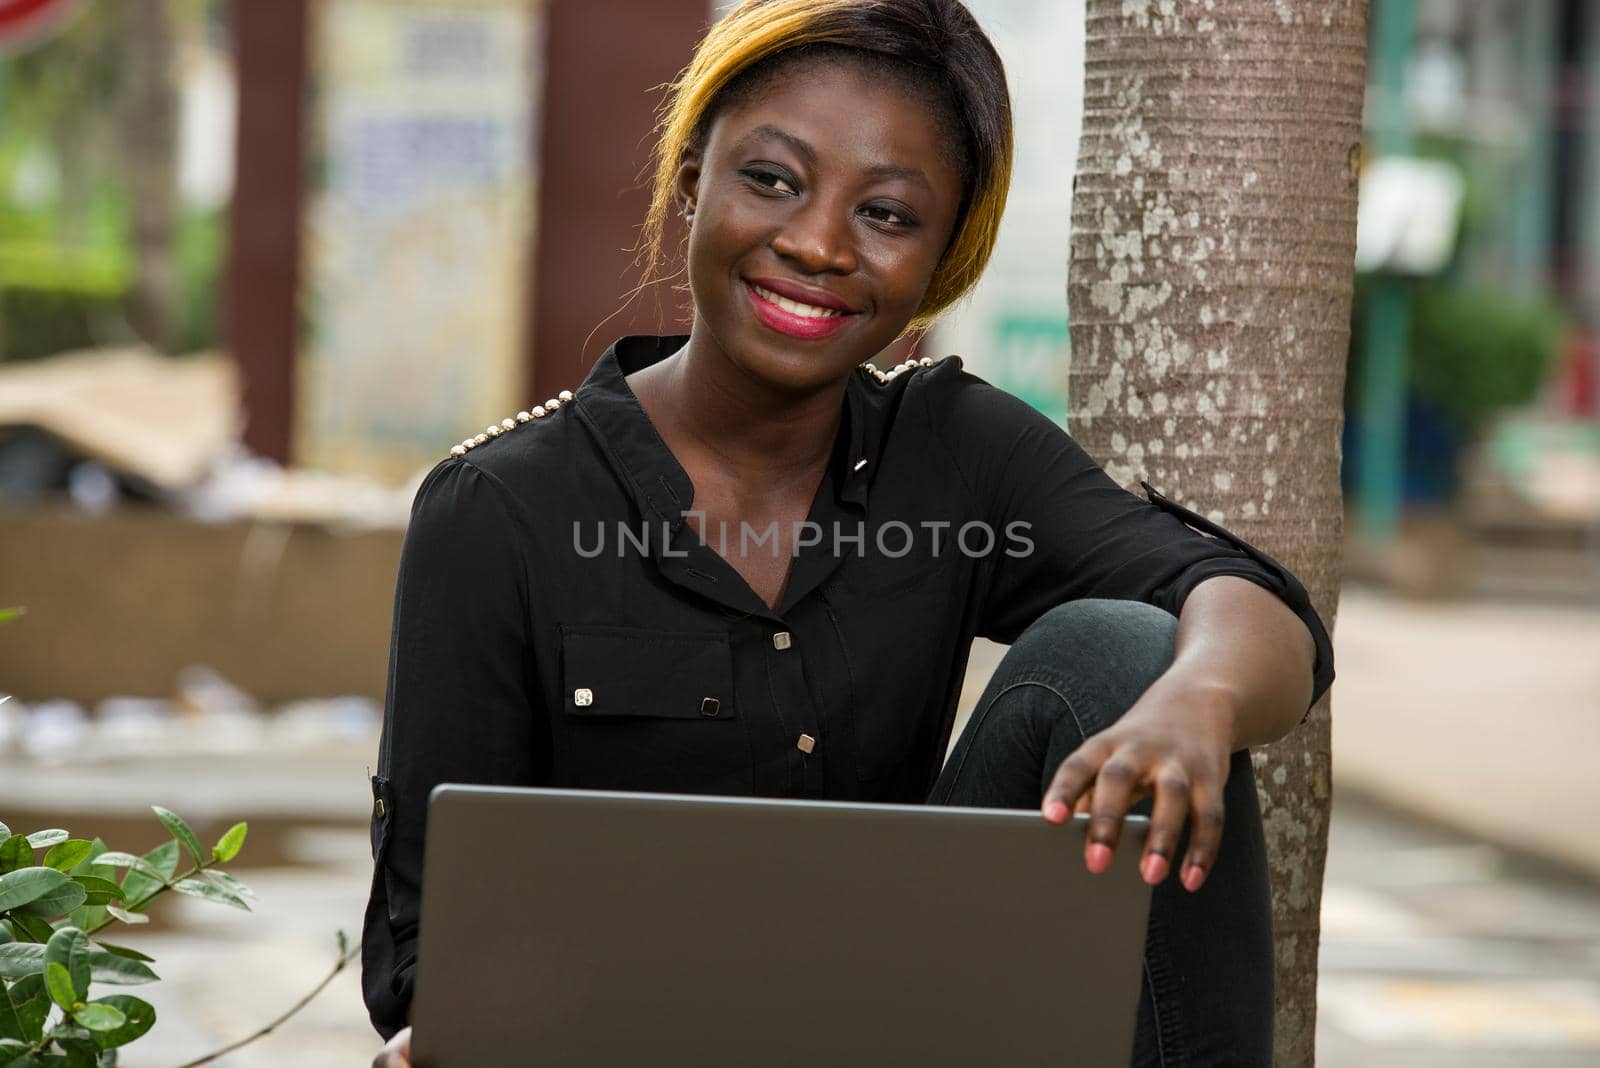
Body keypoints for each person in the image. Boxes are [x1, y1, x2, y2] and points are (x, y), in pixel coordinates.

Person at [366, 1, 1335, 1064]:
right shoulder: (500, 509)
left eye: (886, 215)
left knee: (1124, 652)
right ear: (692, 181)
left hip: (913, 1023)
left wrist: (1197, 699)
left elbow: (1256, 611)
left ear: (940, 255)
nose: (817, 244)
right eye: (771, 180)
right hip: (625, 1042)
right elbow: (422, 951)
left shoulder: (955, 450)